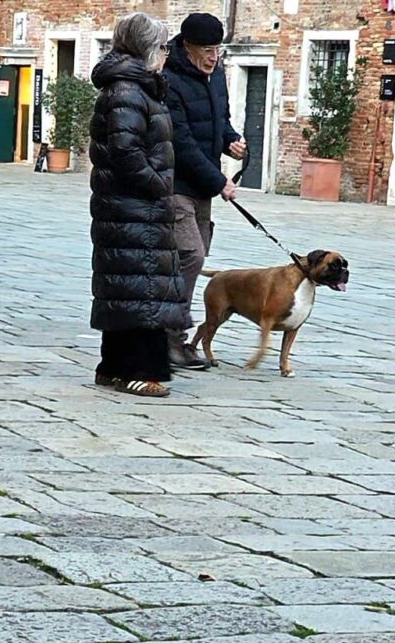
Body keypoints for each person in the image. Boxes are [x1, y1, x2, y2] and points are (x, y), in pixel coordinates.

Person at [89, 12, 187, 398]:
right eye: (162, 46)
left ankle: (112, 368)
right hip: (131, 205)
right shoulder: (127, 90)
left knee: (129, 286)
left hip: (136, 206)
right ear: (147, 48)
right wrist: (158, 184)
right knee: (141, 288)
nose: (166, 54)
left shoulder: (138, 87)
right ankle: (137, 369)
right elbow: (125, 149)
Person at [164, 13, 247, 370]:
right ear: (187, 47)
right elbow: (180, 141)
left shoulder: (216, 77)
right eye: (207, 50)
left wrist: (231, 142)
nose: (214, 57)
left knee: (190, 258)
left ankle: (168, 334)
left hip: (202, 190)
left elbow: (219, 120)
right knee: (191, 257)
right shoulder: (170, 80)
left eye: (218, 49)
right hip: (176, 184)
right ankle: (171, 339)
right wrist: (220, 181)